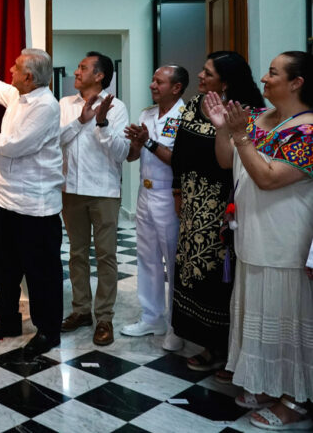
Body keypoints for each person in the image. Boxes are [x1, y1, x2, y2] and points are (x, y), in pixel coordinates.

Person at [207, 51, 313, 430]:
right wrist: (224, 129)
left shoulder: (307, 129)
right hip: (252, 235)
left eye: (273, 73)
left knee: (288, 317)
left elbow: (268, 177)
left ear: (297, 82)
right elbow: (226, 162)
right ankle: (272, 383)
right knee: (261, 315)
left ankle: (296, 399)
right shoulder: (257, 119)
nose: (264, 79)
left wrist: (239, 137)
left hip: (285, 239)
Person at [0, 34, 64, 357]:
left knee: (41, 273)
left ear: (29, 77)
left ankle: (49, 331)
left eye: (16, 67)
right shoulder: (19, 96)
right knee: (5, 268)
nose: (10, 69)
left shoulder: (46, 106)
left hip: (37, 205)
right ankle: (6, 320)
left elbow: (17, 145)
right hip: (7, 199)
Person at [171, 51, 264, 373]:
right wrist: (178, 190)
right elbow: (180, 152)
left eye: (208, 73)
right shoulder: (196, 105)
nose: (200, 76)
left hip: (227, 208)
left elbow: (242, 163)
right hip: (194, 202)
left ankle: (230, 349)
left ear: (225, 82)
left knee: (220, 276)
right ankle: (206, 343)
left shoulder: (248, 113)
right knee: (191, 269)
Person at [59, 52, 129, 346]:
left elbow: (122, 153)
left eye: (83, 67)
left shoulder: (117, 108)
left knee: (105, 257)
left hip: (103, 192)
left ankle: (104, 318)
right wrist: (81, 120)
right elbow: (54, 141)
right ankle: (80, 311)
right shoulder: (64, 105)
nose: (76, 71)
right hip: (70, 191)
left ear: (99, 75)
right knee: (76, 255)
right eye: (78, 66)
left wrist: (101, 124)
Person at [121, 65, 188, 351]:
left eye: (159, 82)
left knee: (172, 262)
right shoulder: (147, 114)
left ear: (176, 88)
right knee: (147, 258)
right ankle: (152, 317)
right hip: (145, 193)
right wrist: (137, 143)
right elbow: (133, 157)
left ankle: (176, 325)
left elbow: (178, 159)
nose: (152, 85)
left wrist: (147, 141)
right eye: (153, 80)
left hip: (169, 195)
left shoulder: (185, 117)